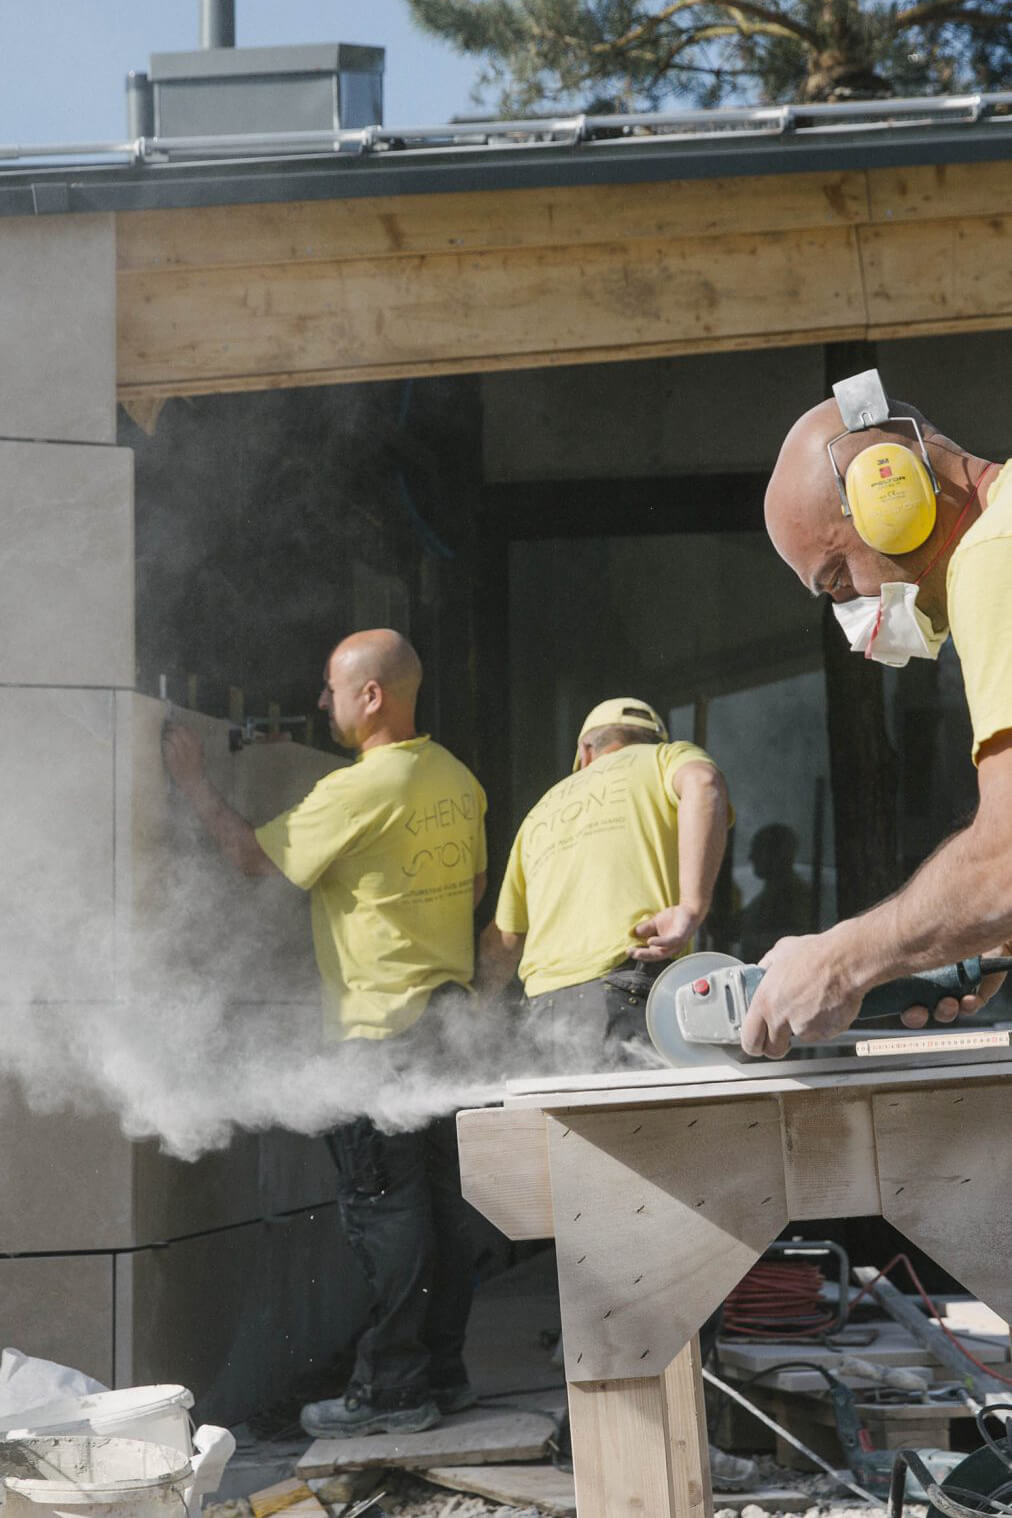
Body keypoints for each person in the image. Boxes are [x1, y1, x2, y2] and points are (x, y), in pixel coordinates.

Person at [161, 629, 488, 1438]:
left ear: (370, 696)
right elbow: (476, 883)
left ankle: (392, 1392)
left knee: (385, 1211)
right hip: (445, 1024)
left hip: (376, 1030)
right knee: (444, 1208)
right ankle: (441, 1374)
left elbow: (247, 857)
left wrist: (195, 782)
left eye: (330, 689)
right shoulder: (456, 779)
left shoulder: (357, 791)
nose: (320, 702)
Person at [747, 370, 1011, 1058]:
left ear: (885, 485)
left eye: (837, 580)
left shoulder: (995, 554)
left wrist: (844, 961)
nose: (854, 610)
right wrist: (962, 928)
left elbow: (1009, 858)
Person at [479, 698, 731, 1061]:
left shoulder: (541, 810)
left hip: (545, 1009)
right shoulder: (664, 758)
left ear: (585, 750)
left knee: (564, 1120)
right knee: (645, 1119)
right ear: (652, 740)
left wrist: (471, 1006)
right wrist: (692, 905)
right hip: (628, 989)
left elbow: (505, 939)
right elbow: (704, 782)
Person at [738, 823, 814, 964]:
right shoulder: (770, 894)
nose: (751, 857)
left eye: (758, 850)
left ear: (778, 854)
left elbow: (798, 938)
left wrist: (751, 938)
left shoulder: (794, 895)